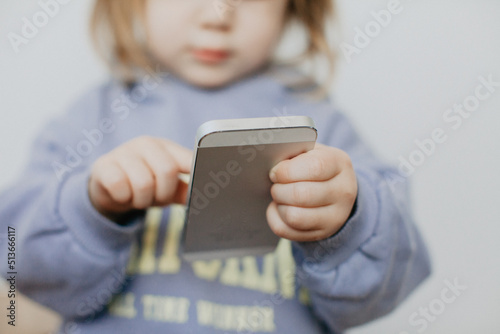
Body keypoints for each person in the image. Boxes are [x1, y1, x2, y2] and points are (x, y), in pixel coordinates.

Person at [0, 0, 431, 333]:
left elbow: (390, 283)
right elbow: (14, 256)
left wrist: (348, 222)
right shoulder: (93, 117)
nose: (217, 15)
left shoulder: (321, 126)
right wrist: (92, 206)